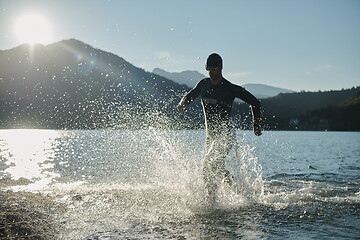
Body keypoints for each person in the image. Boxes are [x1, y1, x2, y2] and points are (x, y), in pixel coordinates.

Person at [177, 53, 262, 200]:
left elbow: (255, 102)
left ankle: (212, 200)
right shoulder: (203, 84)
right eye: (208, 69)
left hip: (225, 134)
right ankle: (238, 189)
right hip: (210, 136)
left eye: (214, 69)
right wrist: (182, 103)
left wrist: (255, 125)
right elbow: (189, 96)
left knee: (208, 165)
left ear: (221, 68)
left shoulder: (229, 88)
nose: (211, 73)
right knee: (216, 167)